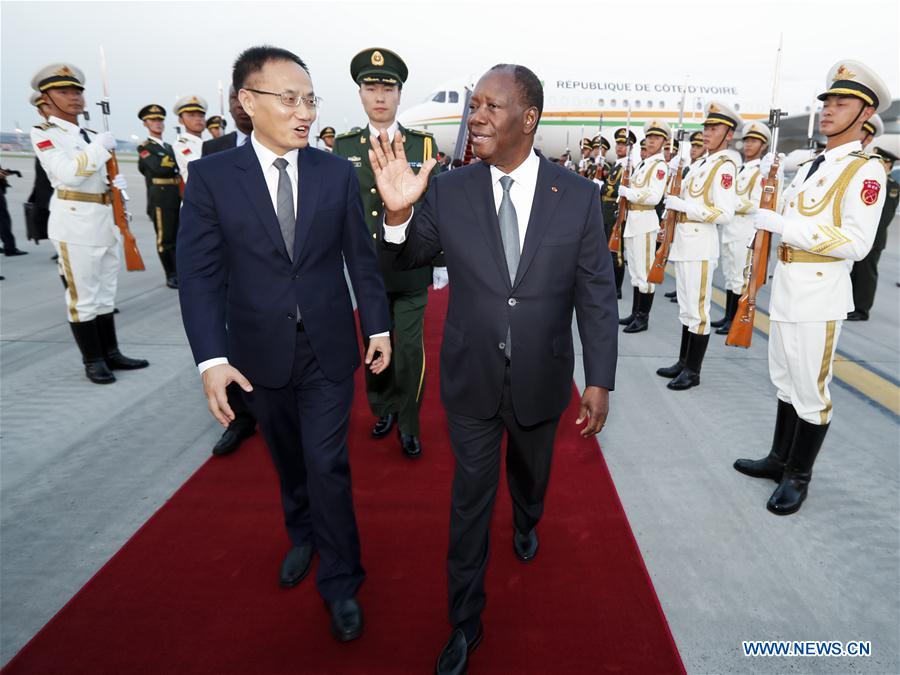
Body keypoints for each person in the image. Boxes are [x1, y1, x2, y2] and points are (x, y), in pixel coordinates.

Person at [372, 63, 618, 674]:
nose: (474, 116)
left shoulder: (580, 196)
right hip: (472, 380)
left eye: (490, 106)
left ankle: (529, 518)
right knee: (470, 499)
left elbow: (596, 294)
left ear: (528, 119)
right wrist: (398, 216)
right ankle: (463, 621)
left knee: (529, 480)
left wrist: (599, 378)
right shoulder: (451, 190)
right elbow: (403, 262)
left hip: (541, 378)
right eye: (473, 105)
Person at [177, 45, 391, 642]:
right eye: (288, 98)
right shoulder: (213, 177)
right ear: (248, 102)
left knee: (328, 463)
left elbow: (361, 259)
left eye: (309, 99)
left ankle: (343, 581)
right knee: (290, 460)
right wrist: (211, 360)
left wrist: (376, 326)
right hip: (256, 353)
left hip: (327, 347)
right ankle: (303, 533)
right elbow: (198, 276)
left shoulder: (334, 172)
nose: (303, 111)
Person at [734, 60, 890, 515]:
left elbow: (857, 244)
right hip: (787, 286)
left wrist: (785, 225)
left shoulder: (866, 170)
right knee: (784, 380)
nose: (828, 110)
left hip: (819, 294)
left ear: (864, 113)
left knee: (811, 390)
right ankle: (780, 459)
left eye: (841, 103)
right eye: (826, 102)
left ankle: (799, 477)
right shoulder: (812, 165)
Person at [332, 48, 442, 459]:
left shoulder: (422, 144)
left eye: (388, 88)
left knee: (410, 349)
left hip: (411, 268)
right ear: (360, 93)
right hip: (367, 272)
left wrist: (441, 261)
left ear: (400, 94)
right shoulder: (344, 148)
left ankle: (409, 423)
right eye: (371, 87)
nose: (379, 95)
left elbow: (435, 207)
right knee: (374, 343)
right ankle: (383, 408)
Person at [30, 63, 149, 384]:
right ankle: (93, 360)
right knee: (82, 297)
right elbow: (68, 173)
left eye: (77, 91)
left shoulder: (93, 135)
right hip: (74, 223)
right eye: (64, 92)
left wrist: (116, 184)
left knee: (105, 294)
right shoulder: (44, 134)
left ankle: (111, 353)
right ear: (46, 98)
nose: (74, 98)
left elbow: (98, 174)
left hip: (104, 220)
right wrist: (99, 150)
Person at [658, 101, 739, 390]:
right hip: (684, 243)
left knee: (699, 311)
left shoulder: (725, 167)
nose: (706, 132)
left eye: (714, 128)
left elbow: (725, 213)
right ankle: (683, 361)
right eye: (705, 127)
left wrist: (686, 207)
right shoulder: (703, 163)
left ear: (728, 134)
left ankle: (693, 371)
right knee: (687, 308)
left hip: (701, 246)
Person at [200, 85, 258, 458]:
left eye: (244, 99)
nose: (239, 107)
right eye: (234, 100)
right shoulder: (214, 151)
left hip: (271, 264)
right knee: (230, 340)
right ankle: (240, 418)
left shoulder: (289, 145)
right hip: (227, 263)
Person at [712, 120, 770, 335]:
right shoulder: (740, 169)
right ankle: (727, 316)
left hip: (744, 231)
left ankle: (735, 319)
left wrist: (731, 204)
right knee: (729, 275)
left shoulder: (760, 173)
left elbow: (758, 204)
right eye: (746, 140)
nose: (748, 145)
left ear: (763, 145)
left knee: (738, 278)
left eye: (754, 141)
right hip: (730, 229)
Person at [616, 119, 670, 333]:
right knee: (637, 273)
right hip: (634, 221)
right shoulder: (644, 163)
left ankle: (643, 318)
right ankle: (635, 313)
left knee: (646, 274)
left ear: (664, 141)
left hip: (646, 223)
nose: (650, 141)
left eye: (656, 138)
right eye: (649, 137)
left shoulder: (659, 166)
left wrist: (628, 193)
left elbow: (654, 196)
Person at [848, 145, 899, 320]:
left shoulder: (892, 186)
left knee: (866, 275)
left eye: (880, 162)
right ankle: (851, 306)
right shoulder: (874, 183)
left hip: (873, 239)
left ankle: (862, 310)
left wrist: (869, 239)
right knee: (855, 272)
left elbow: (885, 217)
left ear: (888, 164)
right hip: (862, 236)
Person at [136, 104, 181, 289]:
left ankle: (180, 270)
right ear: (145, 123)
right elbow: (158, 168)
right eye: (153, 120)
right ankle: (170, 274)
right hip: (160, 198)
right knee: (165, 238)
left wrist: (171, 164)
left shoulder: (169, 147)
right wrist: (174, 164)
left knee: (178, 236)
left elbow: (170, 165)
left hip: (176, 194)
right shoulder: (144, 147)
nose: (158, 123)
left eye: (160, 120)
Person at [603, 127, 634, 300]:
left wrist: (603, 187)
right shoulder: (617, 165)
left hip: (617, 213)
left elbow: (619, 189)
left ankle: (617, 288)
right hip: (608, 212)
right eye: (619, 144)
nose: (620, 147)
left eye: (624, 144)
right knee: (609, 250)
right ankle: (611, 284)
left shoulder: (627, 167)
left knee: (617, 253)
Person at [25, 92, 54, 251]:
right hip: (46, 191)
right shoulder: (41, 132)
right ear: (40, 112)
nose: (51, 109)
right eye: (46, 107)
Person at [202, 86, 253, 157]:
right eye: (234, 97)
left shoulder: (273, 143)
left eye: (247, 98)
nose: (240, 104)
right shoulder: (212, 148)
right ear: (229, 106)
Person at [172, 95, 207, 183]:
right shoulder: (181, 144)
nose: (198, 119)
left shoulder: (206, 143)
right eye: (191, 115)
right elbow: (199, 165)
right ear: (181, 120)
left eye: (201, 115)